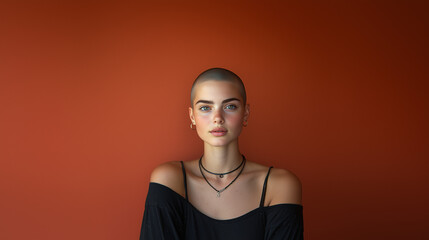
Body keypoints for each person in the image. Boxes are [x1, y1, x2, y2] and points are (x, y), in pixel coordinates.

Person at [140, 68, 303, 239]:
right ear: (192, 116)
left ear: (245, 114)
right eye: (205, 108)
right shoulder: (170, 179)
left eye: (230, 106)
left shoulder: (279, 185)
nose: (218, 118)